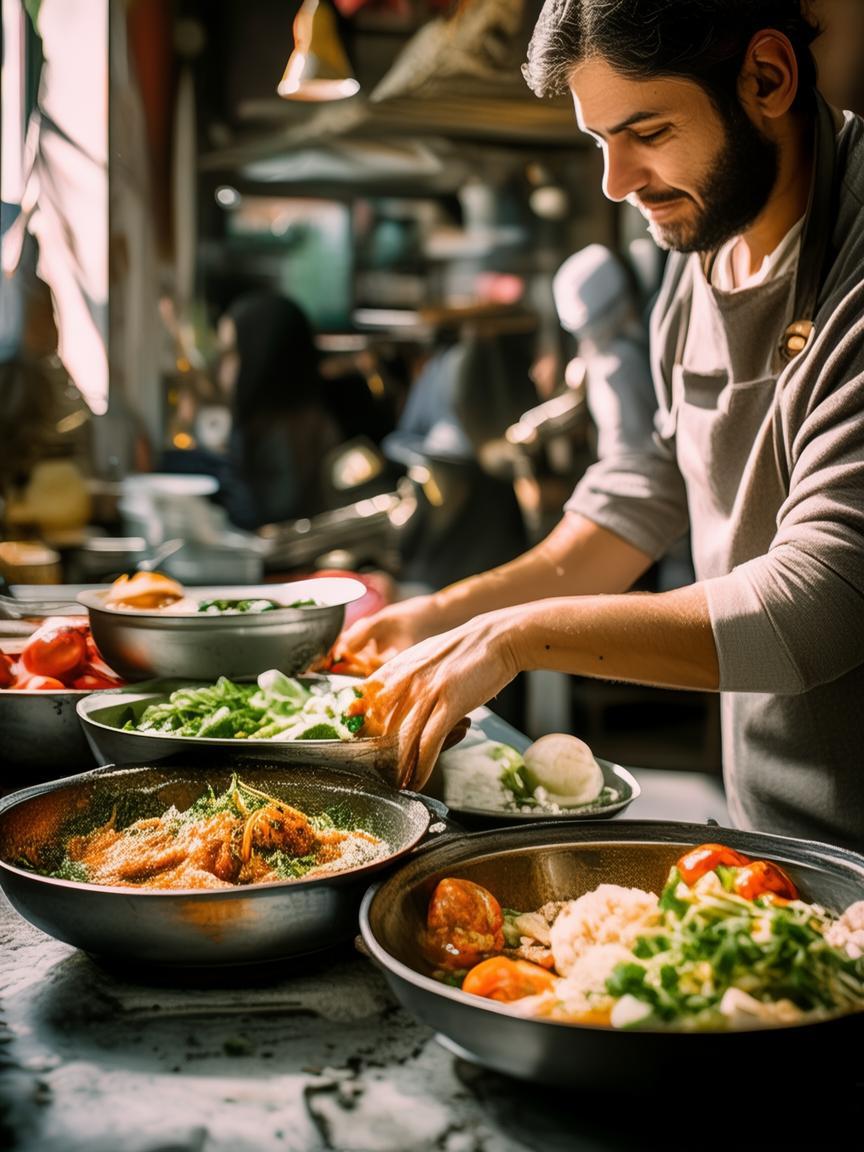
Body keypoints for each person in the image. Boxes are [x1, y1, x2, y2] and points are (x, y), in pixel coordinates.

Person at [338, 0, 864, 852]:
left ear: (768, 77)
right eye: (599, 141)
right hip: (776, 830)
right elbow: (649, 484)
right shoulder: (702, 242)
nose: (617, 182)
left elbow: (825, 603)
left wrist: (516, 639)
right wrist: (443, 615)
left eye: (647, 131)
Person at [215, 291, 340, 530]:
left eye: (231, 355)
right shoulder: (275, 424)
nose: (223, 371)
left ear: (262, 357)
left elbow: (265, 520)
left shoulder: (285, 435)